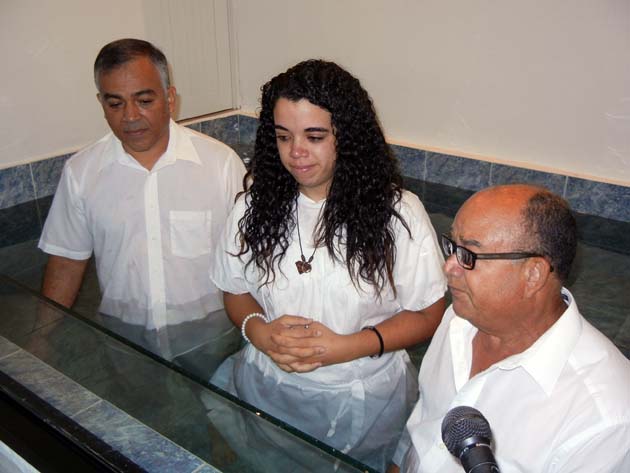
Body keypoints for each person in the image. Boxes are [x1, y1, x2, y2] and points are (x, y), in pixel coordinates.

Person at [209, 59, 447, 471]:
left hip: (364, 398)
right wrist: (259, 332)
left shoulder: (399, 215)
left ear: (347, 138)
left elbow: (429, 312)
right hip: (267, 387)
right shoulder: (252, 206)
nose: (296, 152)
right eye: (283, 137)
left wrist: (346, 347)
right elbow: (234, 288)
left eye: (314, 136)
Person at [38, 38, 246, 375]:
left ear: (169, 97)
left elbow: (249, 257)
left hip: (210, 336)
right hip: (125, 337)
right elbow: (65, 261)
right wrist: (40, 339)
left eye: (144, 100)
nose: (130, 117)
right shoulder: (82, 173)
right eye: (115, 103)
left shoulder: (220, 165)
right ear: (100, 102)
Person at [391, 184, 630, 472]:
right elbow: (422, 426)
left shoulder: (603, 417)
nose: (449, 266)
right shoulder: (458, 320)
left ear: (533, 274)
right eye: (452, 246)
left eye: (468, 254)